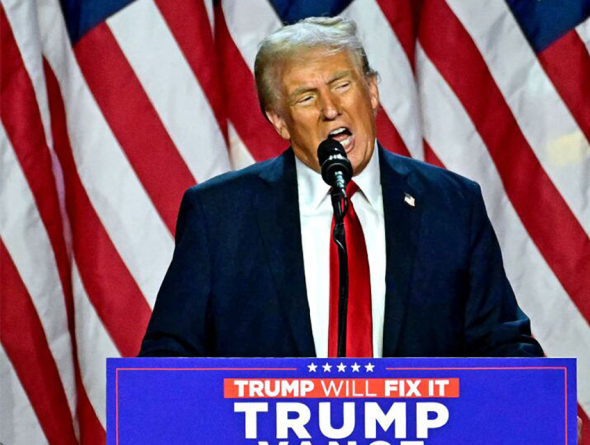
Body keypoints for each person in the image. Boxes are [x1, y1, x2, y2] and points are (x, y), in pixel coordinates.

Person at [138, 16, 543, 359]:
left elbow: (502, 343)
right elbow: (169, 358)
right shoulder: (220, 215)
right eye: (306, 97)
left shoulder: (451, 204)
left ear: (372, 91)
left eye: (342, 85)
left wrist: (541, 402)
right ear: (279, 120)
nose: (330, 108)